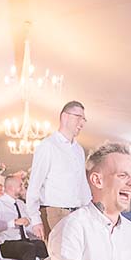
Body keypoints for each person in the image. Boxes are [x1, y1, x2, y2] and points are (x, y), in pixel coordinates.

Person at [26, 101, 88, 240]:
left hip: (77, 213)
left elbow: (82, 184)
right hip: (54, 212)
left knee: (76, 259)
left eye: (84, 119)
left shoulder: (78, 150)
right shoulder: (48, 146)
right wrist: (35, 220)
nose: (82, 123)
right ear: (64, 117)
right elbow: (34, 185)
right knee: (61, 259)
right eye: (78, 117)